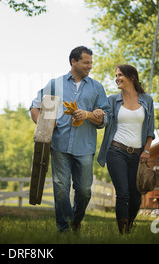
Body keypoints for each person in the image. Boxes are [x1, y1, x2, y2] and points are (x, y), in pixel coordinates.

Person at [30, 46, 110, 232]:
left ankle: (76, 220)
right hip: (59, 144)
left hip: (85, 147)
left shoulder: (97, 87)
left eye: (91, 62)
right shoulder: (55, 84)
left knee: (83, 191)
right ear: (73, 62)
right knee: (60, 188)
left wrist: (88, 115)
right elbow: (35, 107)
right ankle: (64, 229)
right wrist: (43, 125)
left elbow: (104, 118)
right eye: (86, 62)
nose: (90, 66)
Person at [96, 64, 155, 234]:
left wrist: (146, 150)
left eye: (120, 75)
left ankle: (129, 225)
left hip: (137, 154)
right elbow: (104, 119)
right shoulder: (112, 100)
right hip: (116, 151)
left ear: (132, 77)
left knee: (136, 198)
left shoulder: (147, 100)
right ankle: (123, 233)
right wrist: (99, 112)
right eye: (116, 75)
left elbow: (150, 130)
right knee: (123, 194)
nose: (117, 78)